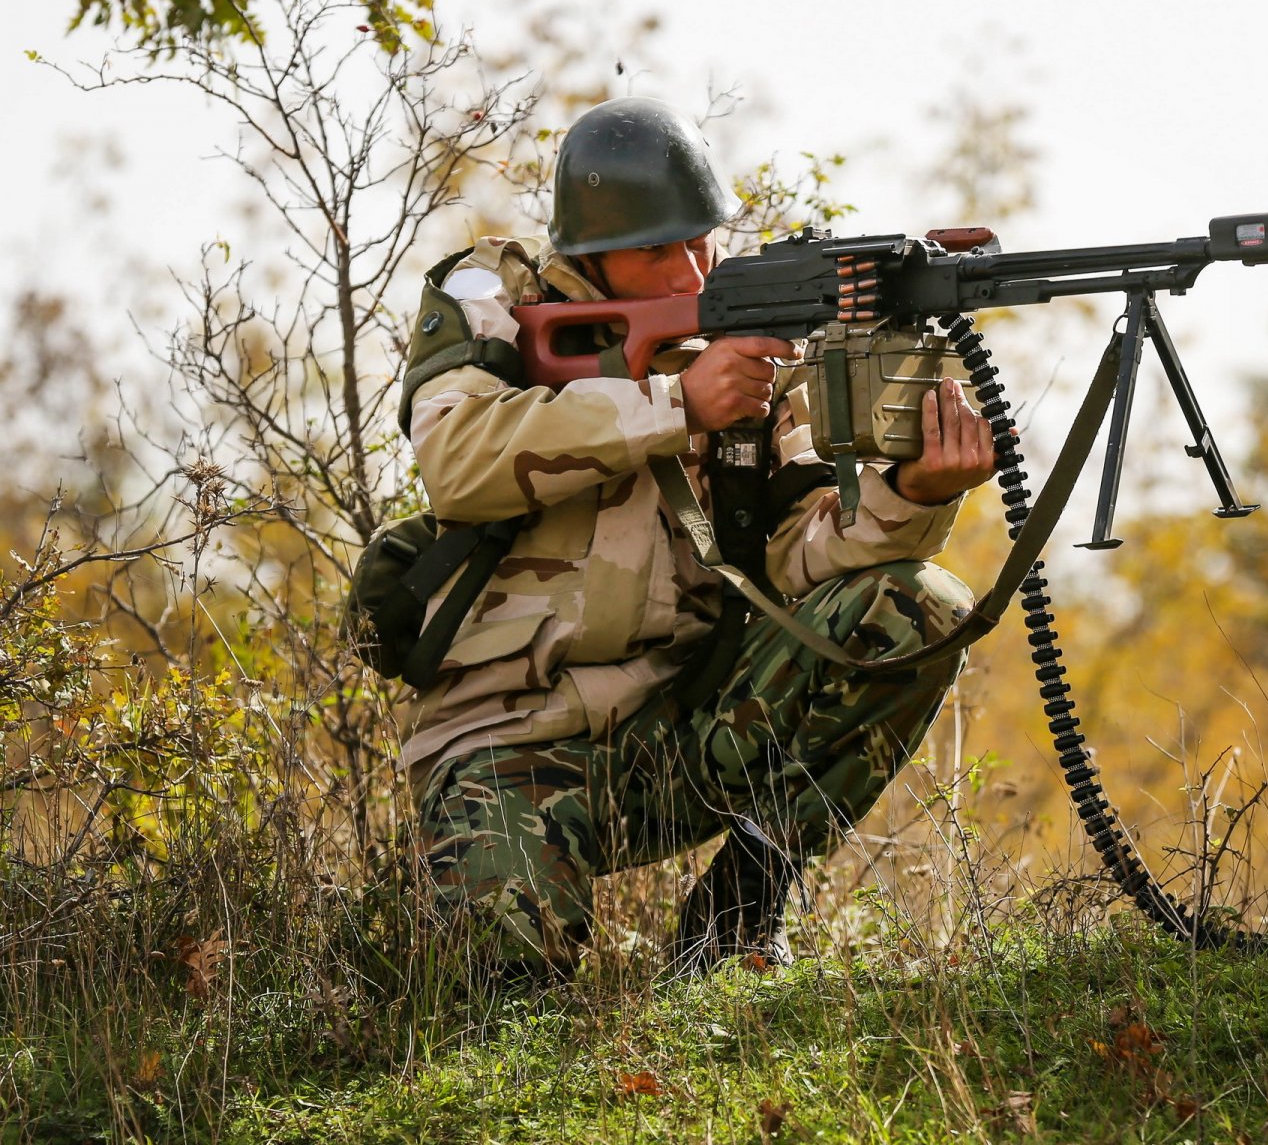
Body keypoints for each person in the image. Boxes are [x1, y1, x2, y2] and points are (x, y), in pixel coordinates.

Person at [395, 96, 995, 980]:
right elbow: (454, 457)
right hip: (504, 745)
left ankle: (738, 913)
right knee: (505, 998)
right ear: (589, 258)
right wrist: (675, 406)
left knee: (919, 607)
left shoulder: (743, 346)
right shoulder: (491, 293)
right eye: (654, 252)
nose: (687, 274)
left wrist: (912, 494)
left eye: (700, 243)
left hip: (681, 739)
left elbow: (800, 555)